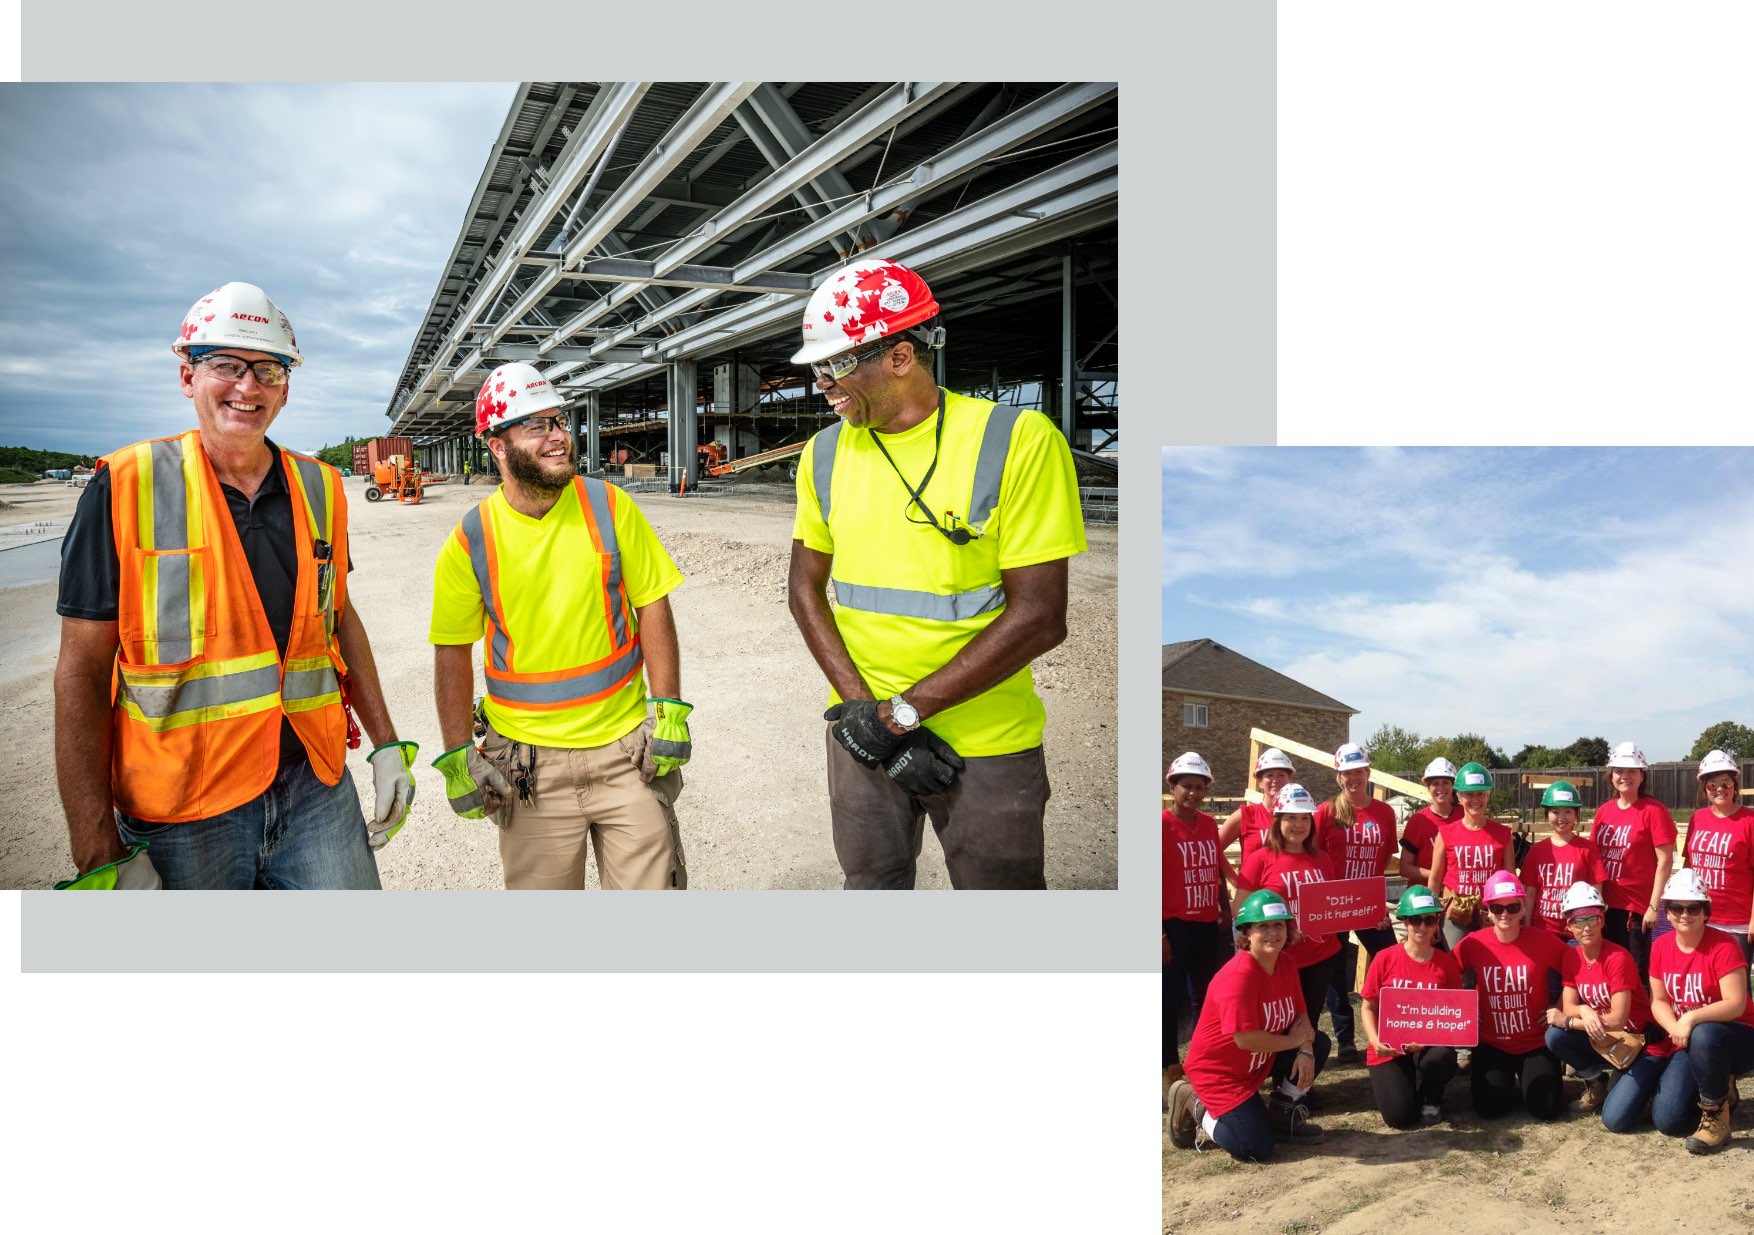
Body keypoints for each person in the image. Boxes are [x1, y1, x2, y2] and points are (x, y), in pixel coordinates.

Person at [53, 282, 413, 890]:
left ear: (286, 388)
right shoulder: (126, 486)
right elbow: (81, 670)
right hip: (182, 809)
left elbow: (339, 617)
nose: (248, 387)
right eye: (226, 365)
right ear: (188, 376)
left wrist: (385, 743)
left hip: (314, 787)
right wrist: (97, 851)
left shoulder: (320, 488)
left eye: (267, 370)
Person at [785, 257, 1086, 890]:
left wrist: (904, 715)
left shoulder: (1016, 440)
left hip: (986, 743)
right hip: (863, 734)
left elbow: (1040, 617)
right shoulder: (825, 452)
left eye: (836, 365)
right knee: (871, 888)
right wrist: (867, 714)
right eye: (817, 368)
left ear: (899, 357)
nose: (822, 384)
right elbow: (804, 589)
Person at [428, 362, 690, 890]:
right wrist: (459, 755)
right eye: (536, 426)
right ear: (497, 446)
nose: (558, 437)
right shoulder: (471, 539)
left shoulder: (609, 505)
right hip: (528, 769)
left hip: (626, 753)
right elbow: (452, 652)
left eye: (558, 420)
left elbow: (653, 605)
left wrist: (668, 710)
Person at [1167, 889, 1330, 1160]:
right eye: (1262, 926)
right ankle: (1194, 1105)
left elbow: (1301, 1015)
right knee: (1253, 1147)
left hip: (1256, 1061)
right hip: (1220, 1074)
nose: (1272, 933)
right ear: (1246, 933)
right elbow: (1246, 1039)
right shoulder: (1239, 975)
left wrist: (1305, 1049)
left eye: (1278, 925)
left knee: (1319, 1043)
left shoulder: (1285, 963)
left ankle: (1282, 1114)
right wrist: (1294, 1042)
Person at [1646, 868, 1754, 1153]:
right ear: (1666, 912)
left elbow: (1736, 1003)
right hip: (1690, 1039)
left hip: (1737, 1036)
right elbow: (1658, 1000)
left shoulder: (1724, 945)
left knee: (1704, 1032)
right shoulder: (1660, 946)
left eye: (1693, 907)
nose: (1685, 914)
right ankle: (1719, 1086)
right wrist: (1674, 1027)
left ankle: (1716, 1118)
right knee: (1669, 1120)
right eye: (1677, 907)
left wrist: (1690, 1018)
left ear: (1706, 911)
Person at [1541, 882, 1663, 1128]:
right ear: (1568, 925)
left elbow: (1618, 1018)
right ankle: (1596, 1082)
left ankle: (1649, 1083)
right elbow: (1569, 1004)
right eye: (1578, 920)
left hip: (1636, 1042)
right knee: (1554, 1036)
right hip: (1606, 1039)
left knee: (1615, 1119)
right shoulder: (1571, 957)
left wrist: (1568, 1021)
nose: (1586, 927)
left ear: (1603, 920)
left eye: (1593, 918)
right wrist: (1584, 1011)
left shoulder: (1618, 958)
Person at [1454, 870, 1568, 1120]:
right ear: (1488, 911)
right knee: (1489, 1109)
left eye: (1512, 906)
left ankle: (1528, 1081)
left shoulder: (1543, 941)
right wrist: (1465, 1012)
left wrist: (1560, 1007)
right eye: (1497, 908)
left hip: (1534, 1042)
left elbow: (1576, 970)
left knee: (1547, 1110)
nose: (1505, 914)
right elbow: (1445, 974)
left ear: (1523, 909)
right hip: (1492, 1042)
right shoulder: (1474, 943)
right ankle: (1506, 1082)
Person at [1236, 784, 1342, 1044]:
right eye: (1291, 817)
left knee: (1309, 1022)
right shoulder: (1260, 859)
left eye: (1305, 818)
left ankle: (1297, 1083)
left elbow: (1333, 904)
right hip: (1279, 960)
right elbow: (1240, 912)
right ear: (1278, 820)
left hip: (1320, 955)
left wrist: (1367, 915)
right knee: (1276, 1023)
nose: (1299, 824)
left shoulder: (1322, 859)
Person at [1317, 742, 1399, 1062]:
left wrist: (1375, 902)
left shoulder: (1384, 812)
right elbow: (1313, 855)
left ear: (1368, 773)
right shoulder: (1326, 812)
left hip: (1368, 902)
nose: (1353, 778)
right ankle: (1346, 1040)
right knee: (1335, 970)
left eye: (1358, 771)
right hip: (1333, 902)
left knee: (1390, 959)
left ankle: (1393, 1027)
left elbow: (1385, 856)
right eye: (1347, 773)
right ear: (1339, 777)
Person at [1358, 885, 1464, 1127]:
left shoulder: (1446, 964)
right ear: (1405, 922)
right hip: (1389, 1046)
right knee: (1401, 1119)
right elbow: (1368, 1007)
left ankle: (1431, 1096)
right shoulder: (1385, 958)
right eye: (1416, 920)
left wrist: (1429, 1038)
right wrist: (1376, 1042)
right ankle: (1404, 1085)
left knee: (1443, 1056)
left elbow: (1454, 1013)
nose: (1423, 927)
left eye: (1430, 920)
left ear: (1438, 922)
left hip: (1429, 1044)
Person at [1163, 752, 1232, 1102]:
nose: (1193, 793)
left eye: (1199, 787)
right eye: (1186, 786)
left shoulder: (1207, 824)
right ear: (1172, 786)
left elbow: (1217, 870)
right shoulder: (1159, 825)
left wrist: (1225, 909)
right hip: (1173, 926)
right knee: (1169, 999)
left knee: (1204, 997)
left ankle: (1201, 1060)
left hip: (1207, 924)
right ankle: (1168, 1068)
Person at [1591, 740, 1677, 978]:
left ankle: (1642, 1017)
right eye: (1619, 770)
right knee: (1609, 971)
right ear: (1611, 776)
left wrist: (1653, 906)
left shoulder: (1653, 811)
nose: (1624, 776)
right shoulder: (1604, 811)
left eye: (1632, 771)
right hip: (1607, 907)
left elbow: (1665, 862)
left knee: (1636, 973)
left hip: (1636, 910)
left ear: (1642, 775)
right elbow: (1595, 858)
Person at [1427, 763, 1515, 949]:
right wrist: (1430, 918)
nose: (1475, 799)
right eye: (1468, 794)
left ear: (1488, 795)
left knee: (1490, 966)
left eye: (1480, 794)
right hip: (1456, 913)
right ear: (1458, 797)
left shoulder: (1502, 834)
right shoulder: (1446, 833)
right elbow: (1434, 880)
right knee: (1459, 965)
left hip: (1493, 913)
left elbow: (1510, 879)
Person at [1682, 749, 1754, 963]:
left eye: (1726, 783)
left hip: (1735, 923)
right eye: (1713, 785)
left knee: (1737, 988)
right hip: (1698, 917)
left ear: (1735, 786)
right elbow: (1688, 866)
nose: (1720, 789)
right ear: (1705, 788)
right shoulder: (1698, 818)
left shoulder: (1749, 821)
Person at [1520, 780, 1605, 937]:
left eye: (1568, 811)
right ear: (1547, 814)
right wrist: (1527, 927)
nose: (1561, 818)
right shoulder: (1536, 851)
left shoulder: (1587, 849)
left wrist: (1595, 926)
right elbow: (1530, 893)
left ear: (1576, 815)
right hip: (1542, 931)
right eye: (1556, 812)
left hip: (1576, 932)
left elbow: (1596, 890)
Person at [1215, 747, 1298, 885]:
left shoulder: (1299, 817)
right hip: (1254, 898)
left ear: (1290, 779)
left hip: (1288, 894)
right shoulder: (1246, 815)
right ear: (1260, 782)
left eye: (1281, 775)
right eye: (1269, 775)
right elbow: (1213, 849)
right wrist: (1235, 880)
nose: (1275, 780)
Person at [1399, 757, 1461, 887]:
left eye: (1445, 782)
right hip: (1423, 895)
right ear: (1428, 786)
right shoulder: (1419, 820)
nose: (1440, 788)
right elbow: (1405, 867)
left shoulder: (1464, 816)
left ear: (1453, 785)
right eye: (1435, 783)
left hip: (1458, 893)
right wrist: (1438, 875)